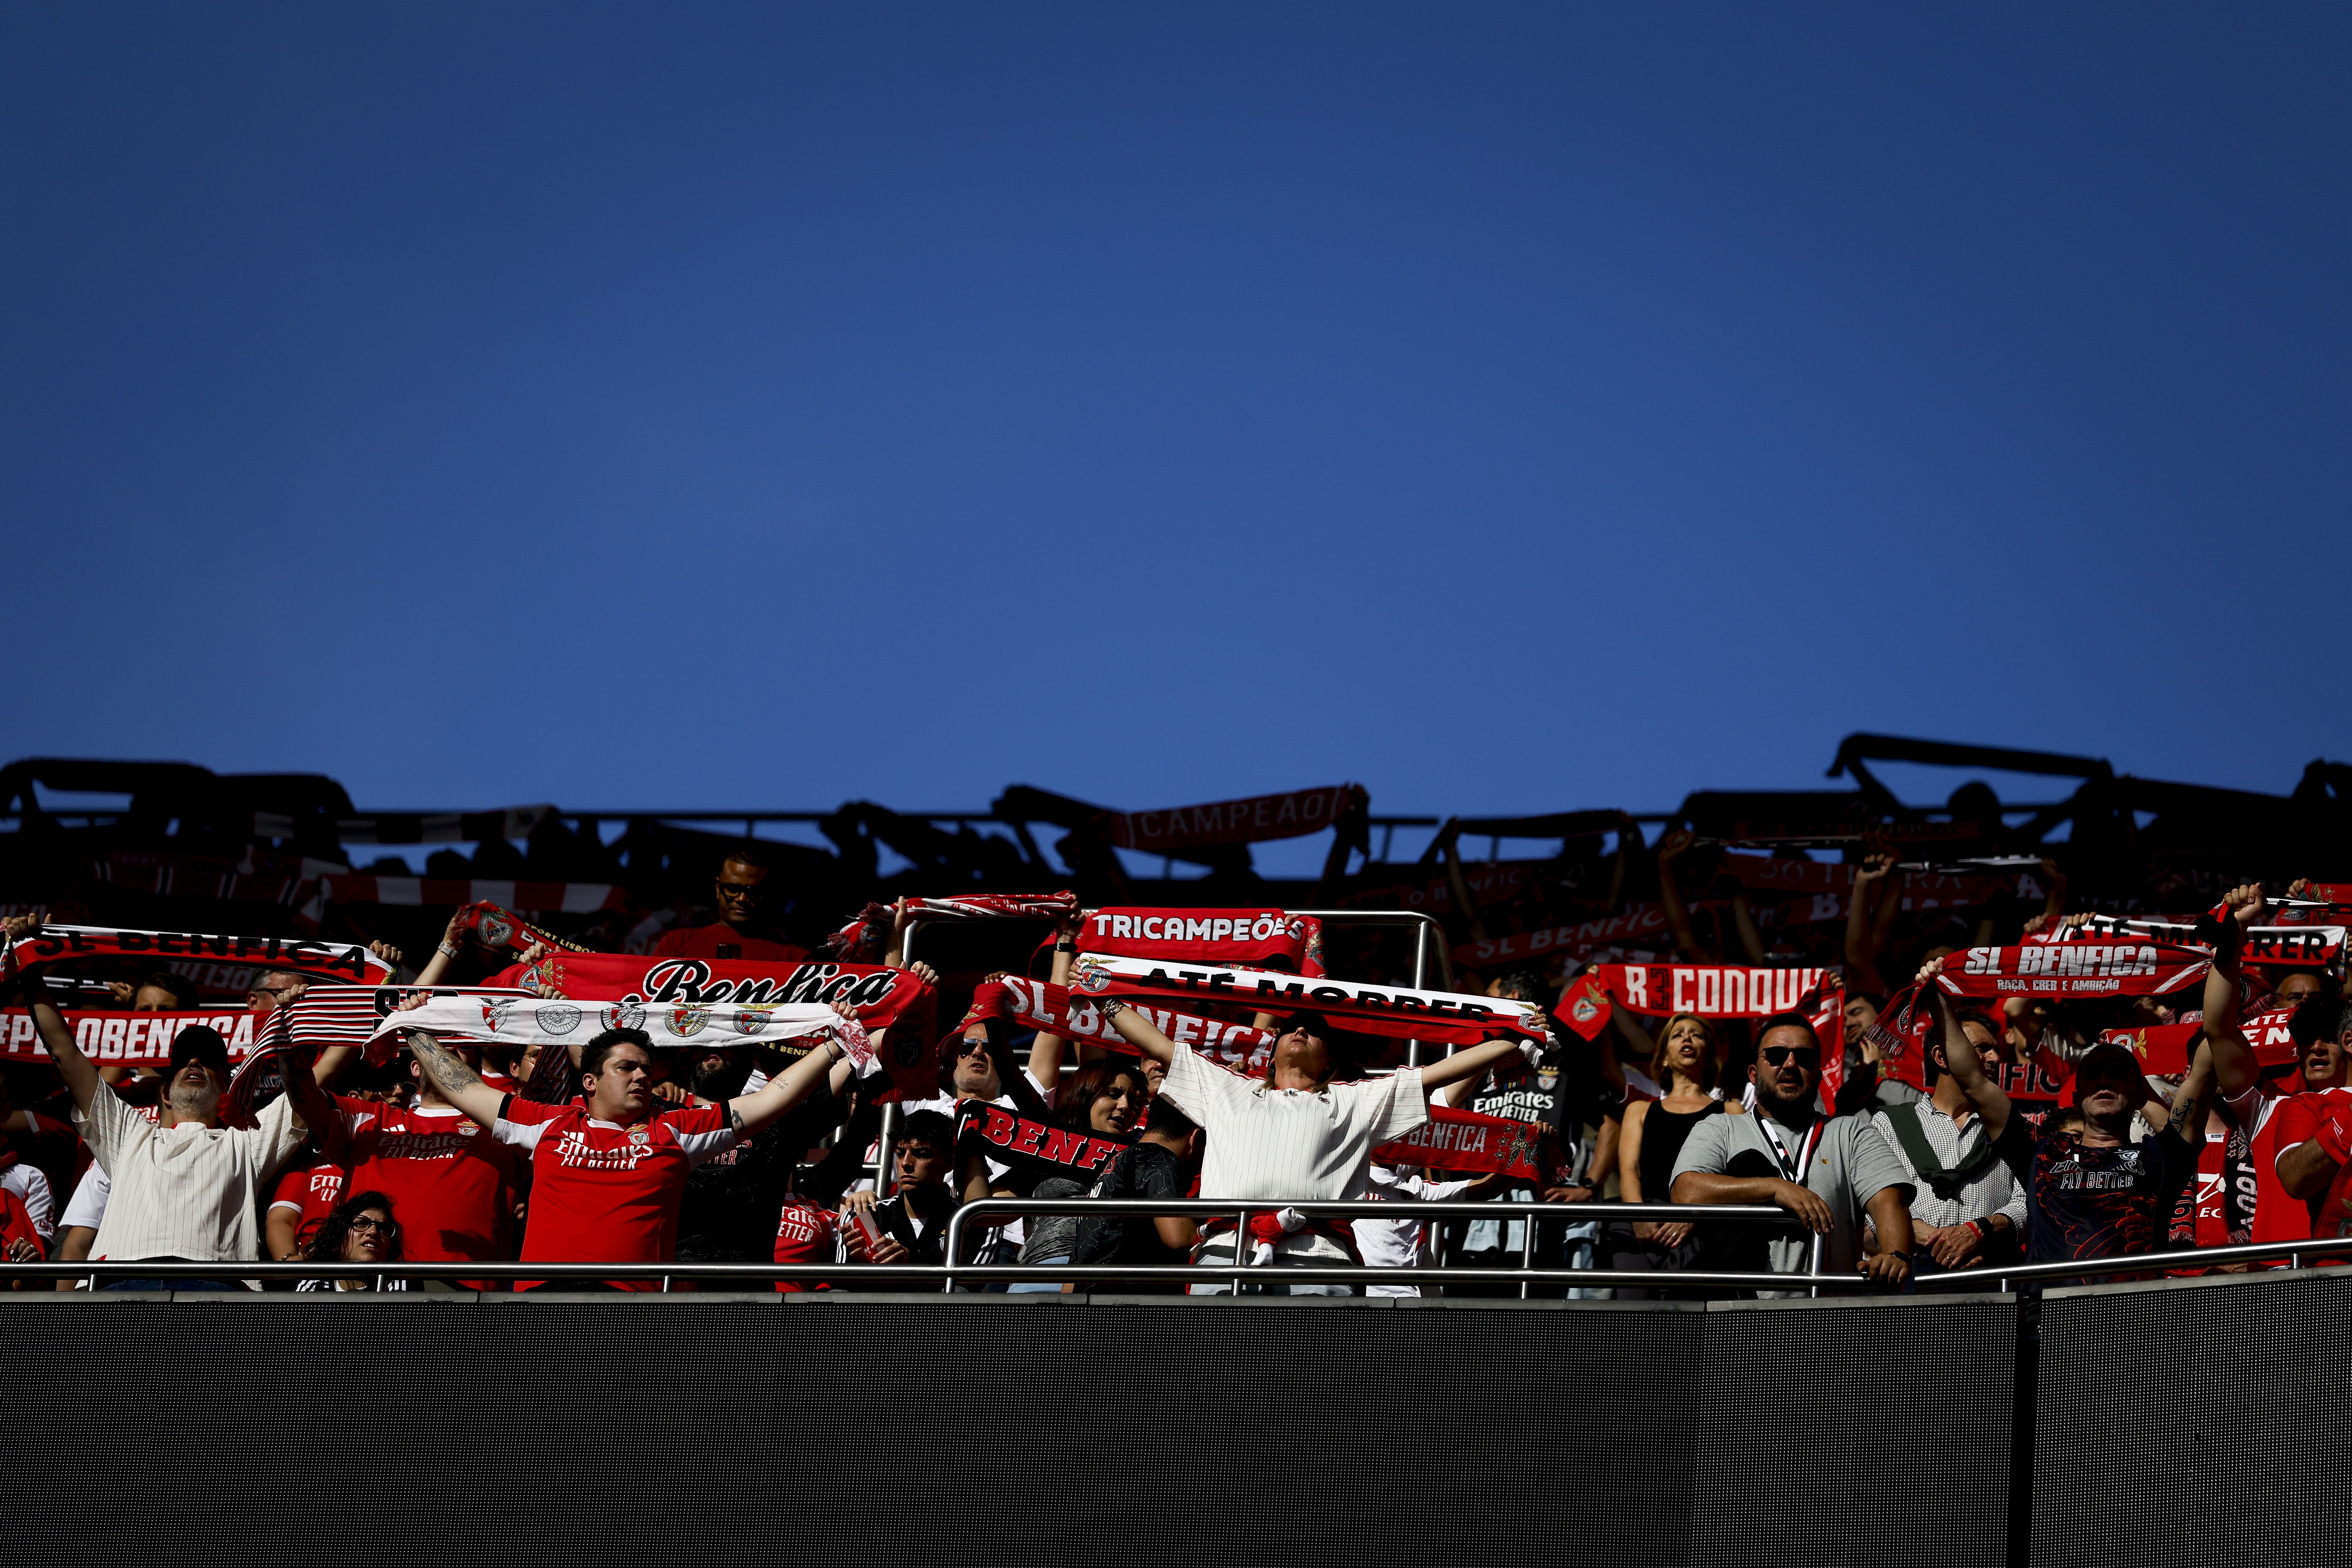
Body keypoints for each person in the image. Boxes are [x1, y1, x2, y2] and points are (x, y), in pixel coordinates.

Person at [398, 1007, 860, 1290]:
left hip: (631, 1303)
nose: (642, 1075)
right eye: (627, 1068)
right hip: (540, 1296)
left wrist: (834, 1048)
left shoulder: (675, 1129)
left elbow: (771, 1098)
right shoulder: (546, 1123)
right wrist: (415, 1031)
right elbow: (464, 1087)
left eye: (646, 1068)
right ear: (590, 1081)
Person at [1098, 999, 1531, 1295]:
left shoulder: (1356, 1098)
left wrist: (1515, 1036)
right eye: (1289, 1028)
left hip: (1320, 1255)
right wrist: (1103, 996)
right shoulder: (1225, 1087)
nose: (1300, 1030)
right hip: (1224, 1250)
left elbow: (1439, 1073)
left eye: (1314, 1030)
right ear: (1270, 1055)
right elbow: (1155, 1043)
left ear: (1329, 1061)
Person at [6, 917, 325, 1287]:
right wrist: (29, 966)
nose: (194, 1063)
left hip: (218, 1292)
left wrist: (369, 991)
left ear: (226, 1088)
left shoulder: (248, 1143)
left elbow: (315, 1080)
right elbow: (63, 1050)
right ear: (164, 1092)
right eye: (184, 1062)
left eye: (207, 1061)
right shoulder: (127, 1133)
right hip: (122, 1287)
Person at [1920, 958, 2214, 1267]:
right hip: (2050, 1311)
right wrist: (1938, 998)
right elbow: (1972, 1079)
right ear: (2076, 1097)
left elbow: (2206, 1067)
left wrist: (2227, 957)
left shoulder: (2160, 1157)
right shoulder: (2042, 1152)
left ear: (2141, 1093)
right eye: (2093, 1074)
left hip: (2132, 1311)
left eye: (2117, 1073)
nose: (2103, 1080)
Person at [1669, 1012, 1916, 1293]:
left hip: (1828, 1314)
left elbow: (1888, 1200)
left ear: (1819, 1074)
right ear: (1753, 1073)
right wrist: (1775, 1188)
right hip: (1740, 1314)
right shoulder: (1722, 1126)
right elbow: (1686, 1191)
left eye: (1804, 1057)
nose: (1790, 1064)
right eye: (1776, 1055)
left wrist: (1896, 1255)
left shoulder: (1850, 1131)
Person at [2200, 885, 2352, 1255]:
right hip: (2274, 1280)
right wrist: (2235, 938)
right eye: (2305, 1040)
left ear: (2349, 1041)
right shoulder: (2269, 1107)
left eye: (2328, 1038)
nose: (2315, 1047)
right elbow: (2219, 1028)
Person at [1866, 1009, 2026, 1275]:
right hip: (1918, 1274)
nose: (1996, 1059)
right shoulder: (1890, 1123)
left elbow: (2027, 1202)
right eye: (1982, 1048)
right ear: (1942, 1057)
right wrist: (1944, 1243)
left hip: (1994, 1273)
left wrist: (1979, 1233)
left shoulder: (2013, 1126)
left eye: (1995, 1050)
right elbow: (1876, 1204)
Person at [1609, 1012, 1731, 1294]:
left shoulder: (1731, 1112)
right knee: (1633, 1322)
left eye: (1696, 1034)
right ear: (1663, 1057)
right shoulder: (1639, 1110)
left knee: (1686, 1323)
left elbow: (1732, 1179)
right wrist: (1639, 1217)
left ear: (1710, 1055)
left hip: (1703, 1232)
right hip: (1642, 1231)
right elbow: (1628, 1170)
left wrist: (1697, 1215)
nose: (1687, 1037)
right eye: (1678, 1035)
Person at [1005, 1057, 1151, 1293]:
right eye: (1114, 1094)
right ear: (1086, 1094)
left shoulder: (1142, 1157)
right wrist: (973, 1144)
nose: (1125, 1106)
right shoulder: (1051, 1144)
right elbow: (989, 1209)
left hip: (1109, 1278)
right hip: (1042, 1273)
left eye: (1135, 1102)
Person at [1070, 1097, 1203, 1294]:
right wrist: (1215, 1232)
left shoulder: (1114, 1164)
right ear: (1197, 1139)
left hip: (1086, 1303)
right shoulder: (1158, 1157)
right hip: (1129, 1306)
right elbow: (1178, 1238)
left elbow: (1073, 1270)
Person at [839, 1110, 959, 1270]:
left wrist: (910, 1264)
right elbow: (839, 1289)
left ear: (949, 1163)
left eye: (921, 1154)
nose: (906, 1163)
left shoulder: (969, 1221)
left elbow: (968, 1289)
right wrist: (861, 1266)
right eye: (900, 1154)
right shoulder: (868, 1216)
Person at [650, 843, 810, 962]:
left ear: (767, 893)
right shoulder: (677, 943)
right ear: (718, 888)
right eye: (733, 889)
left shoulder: (794, 958)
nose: (742, 899)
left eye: (752, 891)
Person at [294, 1191, 408, 1292]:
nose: (373, 1232)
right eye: (361, 1223)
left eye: (383, 1228)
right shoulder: (316, 1285)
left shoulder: (402, 1284)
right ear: (338, 1238)